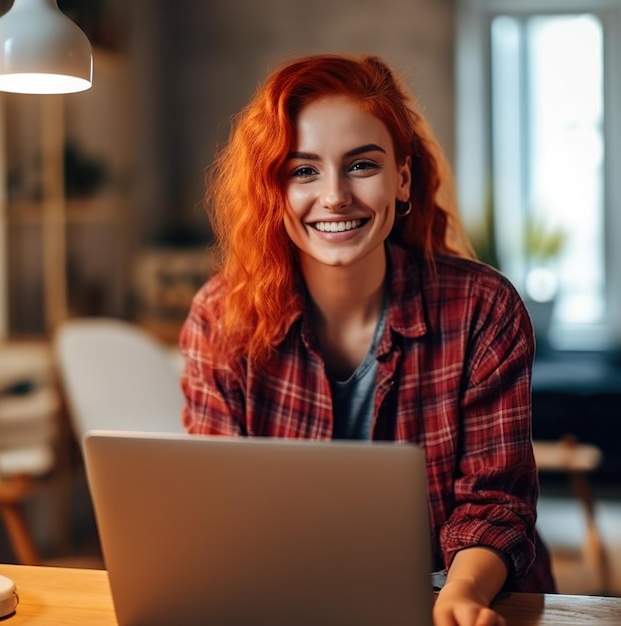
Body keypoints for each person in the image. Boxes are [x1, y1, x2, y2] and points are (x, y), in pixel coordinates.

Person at [179, 53, 555, 626]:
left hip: (469, 600)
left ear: (402, 178)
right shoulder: (220, 318)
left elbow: (494, 505)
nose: (334, 196)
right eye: (303, 170)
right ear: (272, 190)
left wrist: (463, 595)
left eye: (361, 166)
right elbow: (215, 512)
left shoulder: (483, 308)